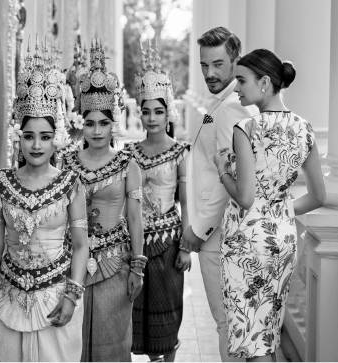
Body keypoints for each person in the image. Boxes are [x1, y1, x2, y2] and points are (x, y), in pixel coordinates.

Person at [213, 48, 326, 362]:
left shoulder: (246, 129)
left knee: (253, 341)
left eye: (241, 80)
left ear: (264, 82)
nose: (236, 88)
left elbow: (246, 197)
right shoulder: (305, 129)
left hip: (247, 244)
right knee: (267, 334)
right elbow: (319, 196)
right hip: (283, 239)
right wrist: (281, 208)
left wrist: (222, 169)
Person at [0, 43, 89, 363]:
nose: (36, 144)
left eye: (44, 135)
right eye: (29, 135)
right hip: (9, 298)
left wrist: (72, 296)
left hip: (56, 299)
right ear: (19, 136)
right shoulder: (0, 183)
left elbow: (81, 246)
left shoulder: (71, 184)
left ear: (57, 136)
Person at [62, 40, 145, 363]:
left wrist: (138, 266)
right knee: (72, 344)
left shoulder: (128, 165)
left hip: (115, 264)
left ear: (114, 122)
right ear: (80, 122)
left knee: (113, 343)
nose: (96, 131)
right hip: (72, 265)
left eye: (104, 122)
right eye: (90, 122)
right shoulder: (67, 162)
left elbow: (136, 219)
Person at [181, 27, 254, 363]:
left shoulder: (230, 109)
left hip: (219, 236)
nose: (209, 73)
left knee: (226, 323)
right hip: (220, 233)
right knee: (231, 322)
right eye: (204, 65)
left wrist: (199, 229)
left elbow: (231, 179)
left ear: (235, 61)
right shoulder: (219, 104)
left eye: (218, 64)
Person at [124, 40, 191, 363]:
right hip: (135, 245)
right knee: (140, 312)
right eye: (146, 111)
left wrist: (186, 246)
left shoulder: (180, 152)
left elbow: (186, 202)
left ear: (169, 112)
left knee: (168, 311)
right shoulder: (129, 154)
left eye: (159, 111)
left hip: (168, 244)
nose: (152, 118)